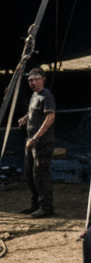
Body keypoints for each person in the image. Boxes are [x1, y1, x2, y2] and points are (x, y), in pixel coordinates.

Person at [19, 67, 56, 218]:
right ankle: (35, 204)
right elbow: (34, 110)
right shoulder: (35, 95)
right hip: (31, 141)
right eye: (30, 80)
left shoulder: (46, 95)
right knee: (30, 174)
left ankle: (46, 207)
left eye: (35, 79)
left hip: (42, 143)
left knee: (40, 174)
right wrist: (26, 118)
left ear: (43, 79)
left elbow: (50, 117)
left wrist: (36, 137)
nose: (32, 83)